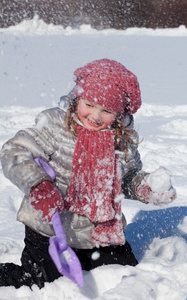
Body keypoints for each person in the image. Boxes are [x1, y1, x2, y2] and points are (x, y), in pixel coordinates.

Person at [0, 58, 176, 289]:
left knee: (123, 274)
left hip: (100, 233)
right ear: (76, 98)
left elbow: (126, 178)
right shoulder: (54, 125)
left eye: (107, 110)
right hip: (48, 227)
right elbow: (14, 151)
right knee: (41, 281)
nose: (95, 116)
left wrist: (143, 187)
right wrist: (37, 184)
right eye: (89, 105)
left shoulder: (121, 140)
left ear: (119, 113)